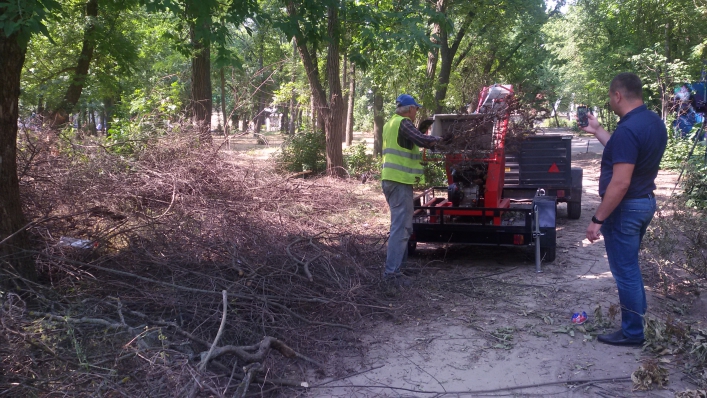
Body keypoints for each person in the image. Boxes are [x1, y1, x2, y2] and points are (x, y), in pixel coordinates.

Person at [581, 73, 668, 346]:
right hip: (644, 203)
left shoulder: (629, 129)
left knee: (626, 271)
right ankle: (638, 325)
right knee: (630, 268)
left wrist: (598, 219)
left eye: (610, 96)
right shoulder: (652, 122)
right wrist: (596, 130)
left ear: (617, 95)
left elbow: (620, 183)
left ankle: (633, 333)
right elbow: (624, 152)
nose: (610, 101)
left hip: (626, 208)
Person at [381, 94, 445, 287]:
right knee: (400, 228)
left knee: (404, 226)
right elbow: (421, 139)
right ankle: (392, 274)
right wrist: (444, 139)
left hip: (395, 181)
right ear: (409, 109)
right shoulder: (403, 123)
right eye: (416, 108)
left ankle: (399, 268)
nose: (416, 111)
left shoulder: (390, 124)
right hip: (398, 181)